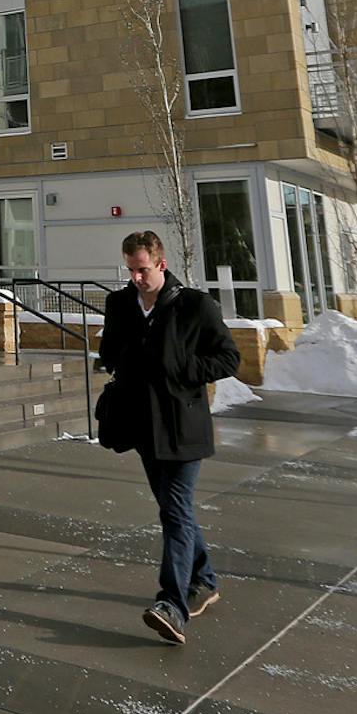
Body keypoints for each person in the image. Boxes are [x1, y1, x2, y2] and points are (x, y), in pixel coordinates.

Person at [95, 229, 241, 646]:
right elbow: (110, 352)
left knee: (175, 511)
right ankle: (205, 579)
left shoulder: (195, 305)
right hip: (144, 427)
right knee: (174, 509)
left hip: (183, 427)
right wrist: (122, 358)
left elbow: (229, 358)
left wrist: (181, 367)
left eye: (142, 270)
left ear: (161, 264)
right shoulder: (119, 303)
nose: (136, 278)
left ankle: (172, 605)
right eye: (130, 270)